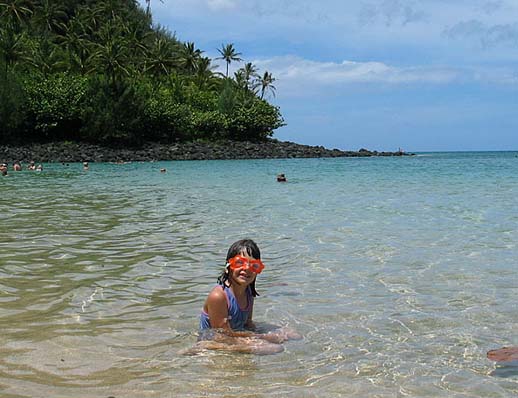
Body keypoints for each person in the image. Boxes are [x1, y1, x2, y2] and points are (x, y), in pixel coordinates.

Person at [191, 239, 301, 355]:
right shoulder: (219, 296)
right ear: (228, 266)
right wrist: (258, 338)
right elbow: (221, 334)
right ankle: (208, 347)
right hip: (218, 339)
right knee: (275, 348)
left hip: (236, 333)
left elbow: (248, 323)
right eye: (239, 263)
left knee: (292, 335)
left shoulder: (248, 292)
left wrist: (260, 335)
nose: (247, 269)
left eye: (254, 265)